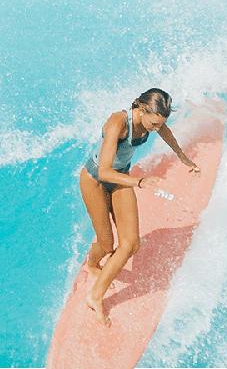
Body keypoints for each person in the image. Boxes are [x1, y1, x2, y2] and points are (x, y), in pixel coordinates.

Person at [79, 88, 200, 326]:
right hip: (95, 180)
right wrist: (140, 182)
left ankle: (95, 296)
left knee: (131, 244)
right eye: (154, 123)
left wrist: (185, 159)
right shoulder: (117, 123)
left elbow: (168, 135)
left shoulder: (154, 122)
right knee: (107, 244)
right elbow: (104, 171)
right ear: (142, 109)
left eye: (160, 123)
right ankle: (92, 264)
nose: (156, 128)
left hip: (120, 177)